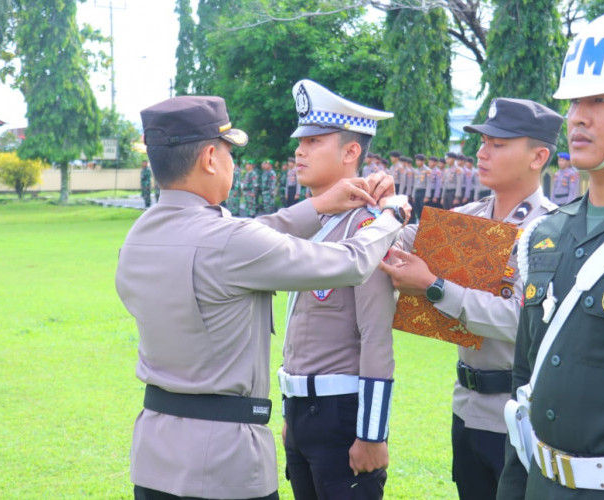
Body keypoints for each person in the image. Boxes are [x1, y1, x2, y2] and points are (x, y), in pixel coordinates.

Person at [116, 95, 410, 500]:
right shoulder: (230, 241)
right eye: (229, 150)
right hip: (223, 463)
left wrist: (319, 204)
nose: (233, 162)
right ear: (209, 159)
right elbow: (353, 261)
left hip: (154, 455)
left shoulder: (139, 237)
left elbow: (249, 234)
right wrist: (392, 215)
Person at [380, 97, 563, 500]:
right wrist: (385, 206)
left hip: (519, 415)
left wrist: (435, 287)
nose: (482, 152)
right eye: (483, 141)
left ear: (539, 156)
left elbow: (522, 320)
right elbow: (397, 241)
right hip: (467, 408)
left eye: (498, 144)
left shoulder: (551, 231)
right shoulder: (469, 218)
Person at [497, 8, 604, 499]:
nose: (578, 116)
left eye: (601, 99)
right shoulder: (546, 234)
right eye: (575, 100)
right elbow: (524, 384)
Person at [280, 79, 401, 500]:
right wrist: (289, 410)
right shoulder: (311, 224)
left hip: (341, 414)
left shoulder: (367, 228)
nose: (299, 151)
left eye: (313, 141)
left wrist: (372, 433)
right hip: (301, 412)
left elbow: (375, 334)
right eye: (300, 141)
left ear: (351, 152)